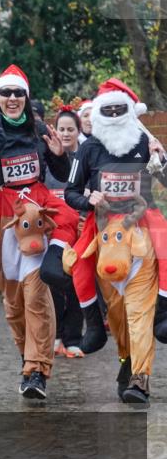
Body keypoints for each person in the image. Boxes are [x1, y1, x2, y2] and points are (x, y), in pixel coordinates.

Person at [0, 64, 78, 399]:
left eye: (18, 93)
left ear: (26, 98)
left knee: (36, 297)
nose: (12, 99)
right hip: (3, 221)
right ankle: (28, 358)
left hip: (35, 216)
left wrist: (60, 157)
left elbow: (59, 170)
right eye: (6, 93)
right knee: (13, 306)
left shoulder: (38, 129)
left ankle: (37, 370)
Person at [64, 79, 167, 400]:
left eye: (117, 108)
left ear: (128, 111)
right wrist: (88, 200)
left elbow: (165, 179)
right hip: (105, 244)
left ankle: (140, 378)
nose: (112, 113)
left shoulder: (144, 142)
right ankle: (126, 361)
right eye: (106, 109)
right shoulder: (88, 148)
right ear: (98, 113)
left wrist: (161, 161)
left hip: (141, 240)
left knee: (140, 314)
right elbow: (70, 192)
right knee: (120, 318)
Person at [46, 107, 86, 358]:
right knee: (52, 282)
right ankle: (56, 335)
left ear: (78, 131)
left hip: (80, 231)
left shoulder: (86, 157)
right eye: (62, 129)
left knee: (76, 284)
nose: (66, 133)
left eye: (71, 129)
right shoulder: (47, 159)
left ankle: (73, 338)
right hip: (53, 231)